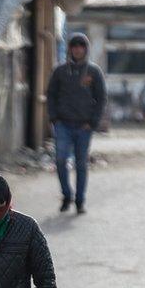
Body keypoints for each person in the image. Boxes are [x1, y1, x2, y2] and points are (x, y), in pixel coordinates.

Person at [47, 32, 107, 214]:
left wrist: (93, 122)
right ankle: (67, 195)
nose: (78, 50)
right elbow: (51, 95)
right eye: (74, 46)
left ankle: (80, 200)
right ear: (70, 49)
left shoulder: (94, 72)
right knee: (60, 160)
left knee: (81, 164)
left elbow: (101, 98)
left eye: (81, 47)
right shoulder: (60, 71)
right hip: (63, 124)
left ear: (86, 49)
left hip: (84, 126)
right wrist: (54, 118)